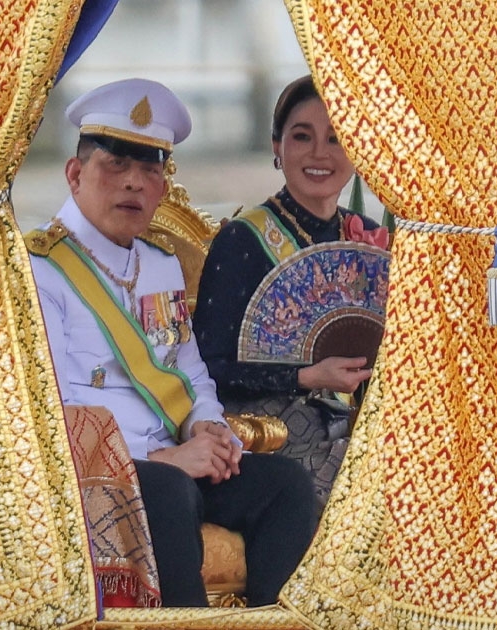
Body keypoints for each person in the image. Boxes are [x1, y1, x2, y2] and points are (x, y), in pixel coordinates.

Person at [27, 78, 317, 607]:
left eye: (150, 169)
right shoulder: (39, 271)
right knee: (167, 491)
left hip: (176, 459)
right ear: (75, 174)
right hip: (98, 474)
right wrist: (165, 457)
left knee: (286, 485)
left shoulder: (158, 267)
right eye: (116, 164)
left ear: (163, 186)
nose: (134, 183)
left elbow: (190, 370)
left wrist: (206, 425)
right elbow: (47, 410)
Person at [192, 76, 389, 507]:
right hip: (269, 428)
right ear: (277, 146)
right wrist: (308, 376)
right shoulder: (244, 241)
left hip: (359, 423)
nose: (321, 153)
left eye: (337, 138)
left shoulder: (369, 240)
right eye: (303, 136)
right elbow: (210, 366)